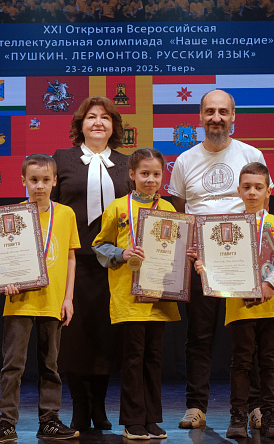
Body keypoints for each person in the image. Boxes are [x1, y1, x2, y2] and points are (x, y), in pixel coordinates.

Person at [168, 89, 270, 430]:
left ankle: (254, 406)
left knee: (247, 338)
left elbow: (263, 210)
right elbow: (180, 213)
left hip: (243, 261)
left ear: (233, 116)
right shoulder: (185, 161)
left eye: (223, 112)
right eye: (210, 111)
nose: (216, 118)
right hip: (201, 264)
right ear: (200, 116)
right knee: (199, 336)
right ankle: (196, 406)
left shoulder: (251, 154)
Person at [194, 161, 274, 439]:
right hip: (240, 306)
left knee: (270, 361)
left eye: (258, 187)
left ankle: (270, 417)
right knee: (241, 362)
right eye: (247, 187)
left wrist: (269, 283)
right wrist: (205, 269)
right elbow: (218, 261)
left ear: (268, 191)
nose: (252, 192)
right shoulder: (227, 225)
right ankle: (238, 417)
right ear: (239, 190)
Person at [0, 154, 81, 443]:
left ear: (54, 182)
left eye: (46, 180)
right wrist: (5, 281)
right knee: (13, 365)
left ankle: (49, 420)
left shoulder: (66, 214)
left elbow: (70, 258)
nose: (40, 186)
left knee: (50, 365)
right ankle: (6, 422)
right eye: (34, 180)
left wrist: (68, 298)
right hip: (19, 302)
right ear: (23, 181)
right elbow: (1, 260)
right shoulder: (11, 217)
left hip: (53, 301)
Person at [51, 96, 131, 431]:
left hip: (115, 263)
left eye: (105, 118)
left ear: (114, 127)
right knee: (75, 338)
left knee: (106, 337)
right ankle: (79, 408)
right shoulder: (61, 159)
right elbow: (48, 209)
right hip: (74, 262)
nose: (98, 122)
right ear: (80, 124)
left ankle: (99, 406)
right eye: (91, 117)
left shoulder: (127, 163)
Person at [92, 148, 181, 440]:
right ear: (132, 175)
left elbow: (177, 248)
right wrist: (122, 253)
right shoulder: (118, 208)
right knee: (133, 358)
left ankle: (152, 418)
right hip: (128, 296)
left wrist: (186, 255)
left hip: (158, 295)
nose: (150, 179)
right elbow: (99, 245)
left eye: (156, 174)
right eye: (144, 173)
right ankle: (132, 421)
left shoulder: (168, 209)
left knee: (154, 358)